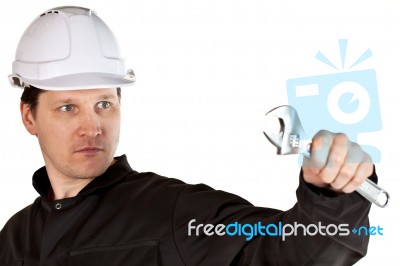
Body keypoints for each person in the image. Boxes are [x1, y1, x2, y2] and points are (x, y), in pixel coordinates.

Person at [0, 6, 377, 266]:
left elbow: (291, 253)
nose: (93, 127)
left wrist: (332, 196)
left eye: (103, 104)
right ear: (29, 117)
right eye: (68, 108)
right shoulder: (15, 236)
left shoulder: (172, 211)